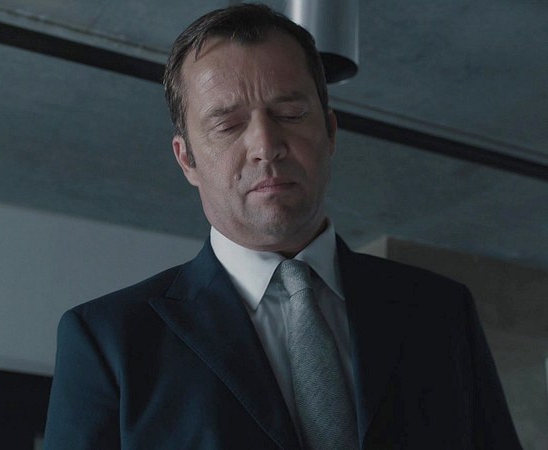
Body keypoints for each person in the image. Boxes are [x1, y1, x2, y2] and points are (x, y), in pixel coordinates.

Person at [43, 4, 521, 449]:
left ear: (329, 132)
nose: (265, 145)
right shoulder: (109, 340)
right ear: (187, 159)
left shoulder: (441, 312)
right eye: (227, 125)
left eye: (290, 114)